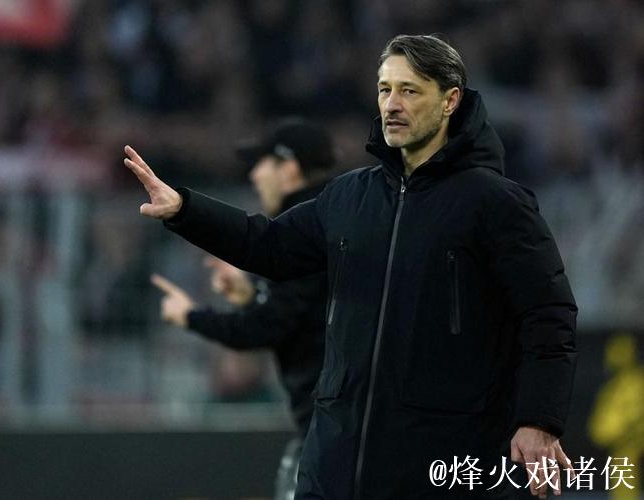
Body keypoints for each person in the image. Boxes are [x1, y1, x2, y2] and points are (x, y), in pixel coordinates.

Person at [124, 35, 578, 499]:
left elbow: (548, 315)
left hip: (441, 465)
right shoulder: (349, 196)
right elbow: (268, 245)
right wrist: (184, 208)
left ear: (450, 101)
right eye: (385, 89)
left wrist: (538, 421)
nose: (392, 104)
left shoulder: (496, 203)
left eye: (409, 90)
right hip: (335, 463)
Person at [150, 118, 333, 500]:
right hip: (336, 421)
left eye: (261, 163)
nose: (254, 175)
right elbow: (297, 317)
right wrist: (251, 296)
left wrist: (190, 316)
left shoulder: (309, 232)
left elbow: (264, 328)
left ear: (289, 168)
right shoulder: (328, 222)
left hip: (337, 427)